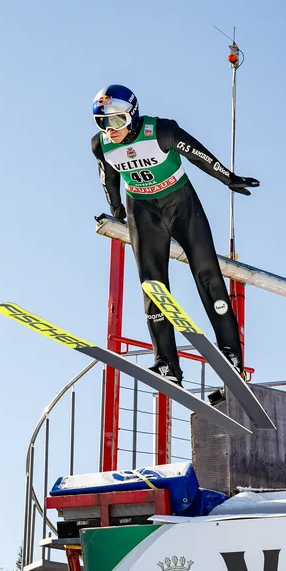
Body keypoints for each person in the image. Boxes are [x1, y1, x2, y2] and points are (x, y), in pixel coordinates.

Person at [91, 84, 259, 387]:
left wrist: (229, 179)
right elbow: (109, 176)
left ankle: (231, 353)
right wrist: (115, 209)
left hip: (180, 204)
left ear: (132, 115)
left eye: (116, 120)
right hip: (143, 211)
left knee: (207, 273)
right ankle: (166, 363)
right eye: (102, 121)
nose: (109, 129)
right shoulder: (101, 144)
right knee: (152, 286)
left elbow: (199, 155)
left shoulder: (162, 131)